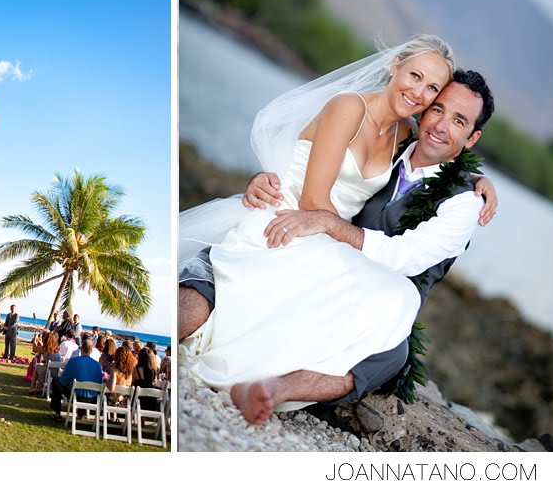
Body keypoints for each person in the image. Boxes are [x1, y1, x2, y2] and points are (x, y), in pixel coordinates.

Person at [178, 37, 494, 414]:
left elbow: (408, 244)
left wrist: (477, 182)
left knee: (386, 346)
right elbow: (312, 198)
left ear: (471, 138)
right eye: (419, 81)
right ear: (394, 66)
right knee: (227, 285)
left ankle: (269, 389)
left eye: (432, 91)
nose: (426, 103)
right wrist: (270, 182)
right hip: (300, 223)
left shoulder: (430, 161)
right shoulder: (371, 118)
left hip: (348, 261)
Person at [50, 336, 103, 422]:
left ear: (81, 348)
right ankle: (80, 414)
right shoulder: (97, 365)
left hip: (77, 396)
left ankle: (57, 413)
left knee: (56, 381)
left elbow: (63, 381)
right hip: (93, 398)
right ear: (91, 350)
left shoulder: (74, 361)